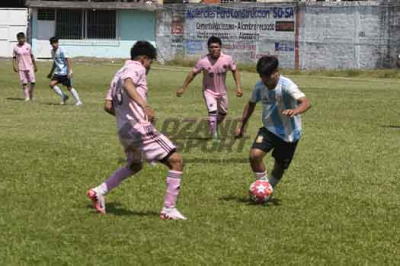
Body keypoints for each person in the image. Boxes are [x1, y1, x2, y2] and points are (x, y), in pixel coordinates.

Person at [87, 41, 187, 220]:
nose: (150, 67)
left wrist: (126, 117)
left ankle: (99, 191)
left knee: (135, 165)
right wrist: (144, 106)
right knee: (176, 161)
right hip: (138, 128)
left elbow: (108, 106)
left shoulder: (117, 73)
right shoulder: (136, 68)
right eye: (150, 62)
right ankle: (169, 209)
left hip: (124, 130)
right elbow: (128, 84)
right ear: (143, 59)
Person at [235, 56, 311, 190]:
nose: (264, 80)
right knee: (254, 155)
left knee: (279, 166)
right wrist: (241, 124)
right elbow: (251, 103)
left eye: (267, 76)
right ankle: (263, 188)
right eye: (261, 76)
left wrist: (295, 111)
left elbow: (306, 102)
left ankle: (269, 188)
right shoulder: (259, 86)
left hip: (289, 133)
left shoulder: (287, 85)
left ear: (276, 72)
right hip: (269, 129)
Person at [177, 36, 242, 141]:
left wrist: (238, 87)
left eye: (216, 46)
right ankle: (214, 136)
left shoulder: (227, 59)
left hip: (222, 92)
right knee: (212, 111)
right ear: (208, 48)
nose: (214, 49)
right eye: (211, 47)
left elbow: (235, 71)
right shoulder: (203, 61)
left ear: (220, 47)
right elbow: (192, 74)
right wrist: (183, 88)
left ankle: (213, 124)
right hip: (208, 91)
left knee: (223, 113)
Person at [47, 37, 82, 106]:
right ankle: (64, 96)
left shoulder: (61, 50)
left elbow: (68, 60)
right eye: (52, 43)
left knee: (69, 87)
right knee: (51, 84)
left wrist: (69, 71)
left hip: (65, 72)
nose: (54, 44)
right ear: (50, 44)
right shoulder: (52, 51)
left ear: (57, 43)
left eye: (55, 43)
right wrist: (51, 72)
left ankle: (78, 101)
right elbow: (55, 62)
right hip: (58, 72)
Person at [12, 32, 37, 101]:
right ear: (17, 39)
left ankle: (31, 92)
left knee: (33, 81)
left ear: (24, 38)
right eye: (19, 39)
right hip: (21, 67)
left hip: (29, 66)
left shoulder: (28, 46)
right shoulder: (15, 47)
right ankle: (27, 96)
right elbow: (14, 57)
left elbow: (32, 55)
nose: (21, 40)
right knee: (24, 82)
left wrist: (35, 65)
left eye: (22, 38)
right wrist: (14, 66)